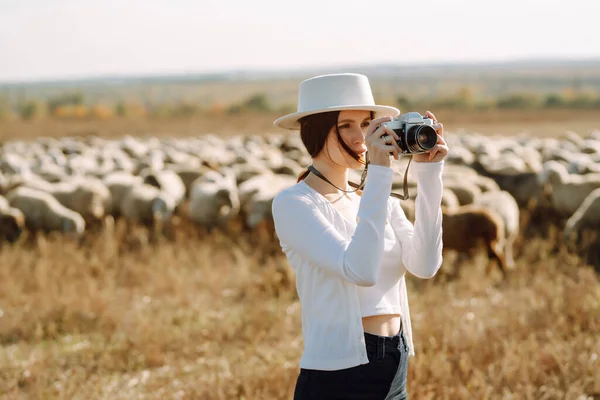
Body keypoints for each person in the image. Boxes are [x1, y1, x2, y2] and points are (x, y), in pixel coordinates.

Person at [271, 73, 449, 400]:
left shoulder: (374, 200)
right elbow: (360, 270)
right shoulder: (294, 203)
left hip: (395, 366)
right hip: (338, 378)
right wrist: (380, 174)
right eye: (346, 126)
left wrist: (429, 174)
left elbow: (425, 265)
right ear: (314, 132)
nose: (361, 137)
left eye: (367, 124)